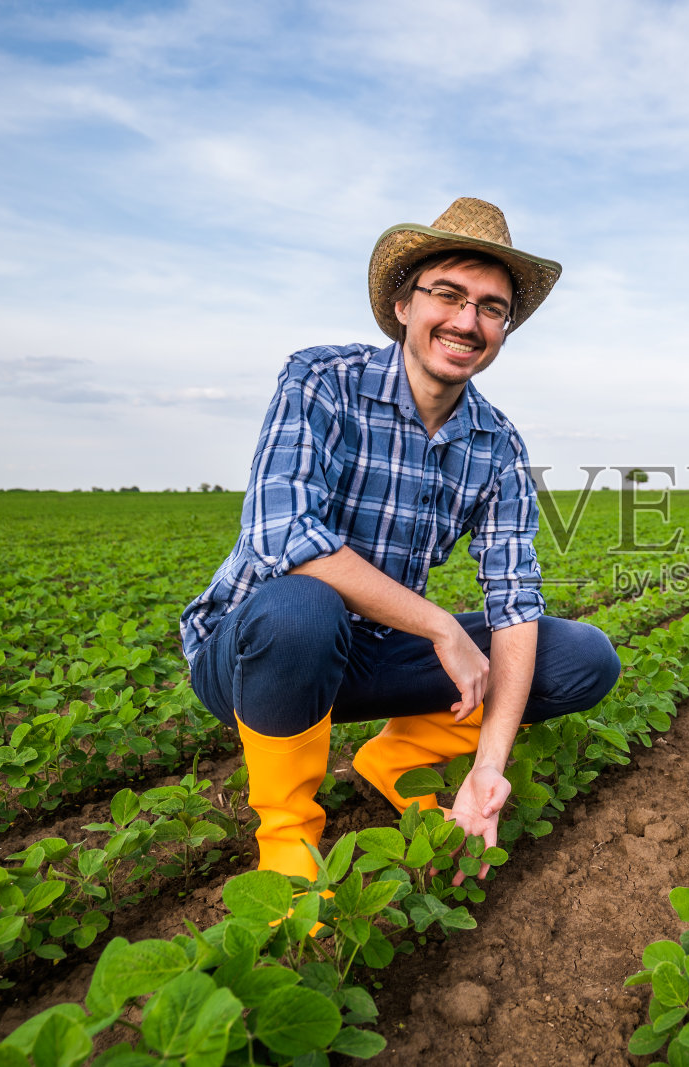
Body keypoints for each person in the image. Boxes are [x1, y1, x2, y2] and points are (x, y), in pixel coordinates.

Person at [179, 197, 622, 885]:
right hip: (256, 654)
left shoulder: (496, 444)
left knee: (581, 657)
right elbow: (283, 534)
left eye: (491, 306)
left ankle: (396, 758)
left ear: (505, 326)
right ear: (401, 304)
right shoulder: (322, 381)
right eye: (448, 294)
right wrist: (440, 625)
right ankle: (288, 840)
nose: (467, 320)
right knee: (303, 603)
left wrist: (487, 769)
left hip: (370, 654)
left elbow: (514, 598)